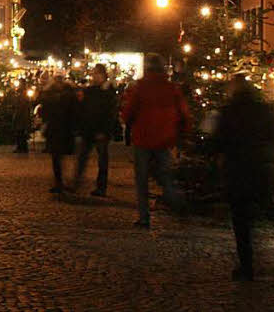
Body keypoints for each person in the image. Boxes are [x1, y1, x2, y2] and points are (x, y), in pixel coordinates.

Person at [210, 74, 274, 281]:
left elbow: (217, 141)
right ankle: (256, 258)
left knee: (241, 221)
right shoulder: (264, 110)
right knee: (253, 215)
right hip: (259, 169)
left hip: (237, 170)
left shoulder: (227, 111)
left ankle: (247, 264)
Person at [119, 54, 190, 228]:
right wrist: (182, 133)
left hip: (143, 138)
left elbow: (128, 112)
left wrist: (129, 123)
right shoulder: (171, 88)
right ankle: (178, 203)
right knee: (166, 177)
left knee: (142, 180)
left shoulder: (140, 88)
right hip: (165, 139)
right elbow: (184, 113)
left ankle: (144, 217)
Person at [74, 64, 116, 196]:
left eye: (97, 73)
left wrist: (104, 130)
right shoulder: (91, 90)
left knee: (102, 160)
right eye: (94, 73)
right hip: (89, 129)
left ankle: (101, 187)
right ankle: (76, 182)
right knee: (82, 157)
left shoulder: (108, 91)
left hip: (101, 131)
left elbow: (109, 113)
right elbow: (84, 108)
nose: (94, 76)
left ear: (103, 75)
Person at [39, 74, 77, 193]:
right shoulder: (56, 94)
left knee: (62, 157)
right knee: (58, 158)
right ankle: (61, 182)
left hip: (64, 130)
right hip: (58, 130)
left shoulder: (67, 95)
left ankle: (64, 182)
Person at [11, 83, 32, 153]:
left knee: (20, 133)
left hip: (21, 118)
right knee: (21, 133)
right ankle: (22, 147)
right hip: (22, 118)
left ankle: (21, 147)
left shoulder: (22, 97)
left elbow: (19, 107)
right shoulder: (24, 97)